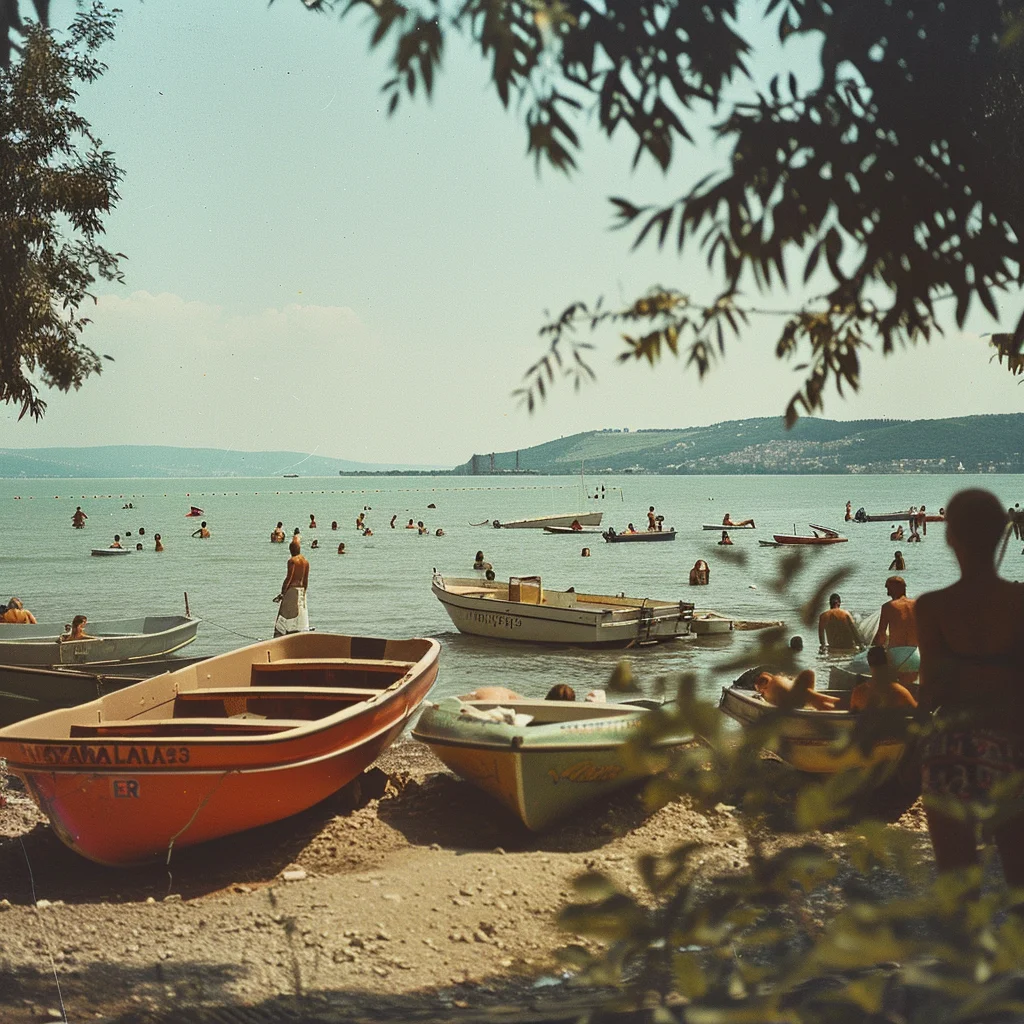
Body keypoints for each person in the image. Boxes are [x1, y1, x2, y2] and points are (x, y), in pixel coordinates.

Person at [915, 488, 1024, 883]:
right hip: (1012, 744)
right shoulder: (1019, 600)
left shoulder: (932, 606)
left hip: (953, 747)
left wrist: (910, 748)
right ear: (1002, 533)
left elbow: (931, 688)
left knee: (956, 878)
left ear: (949, 537)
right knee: (1019, 875)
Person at [849, 645, 918, 711]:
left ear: (869, 663)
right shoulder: (899, 692)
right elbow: (916, 712)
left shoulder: (859, 693)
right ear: (889, 663)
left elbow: (852, 715)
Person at [753, 668, 839, 710]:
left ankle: (823, 702)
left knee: (812, 697)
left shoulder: (775, 682)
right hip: (792, 696)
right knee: (811, 696)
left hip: (792, 697)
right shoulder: (775, 681)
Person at [273, 539, 310, 637]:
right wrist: (304, 592)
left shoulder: (292, 561)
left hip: (292, 590)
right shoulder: (306, 562)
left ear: (291, 549)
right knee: (298, 616)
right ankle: (296, 635)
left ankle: (280, 637)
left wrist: (282, 593)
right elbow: (305, 579)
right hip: (301, 590)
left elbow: (289, 577)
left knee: (284, 615)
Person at [872, 576, 917, 648]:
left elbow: (881, 634)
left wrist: (873, 647)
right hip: (915, 649)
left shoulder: (888, 606)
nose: (888, 593)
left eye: (888, 589)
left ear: (892, 590)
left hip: (896, 649)